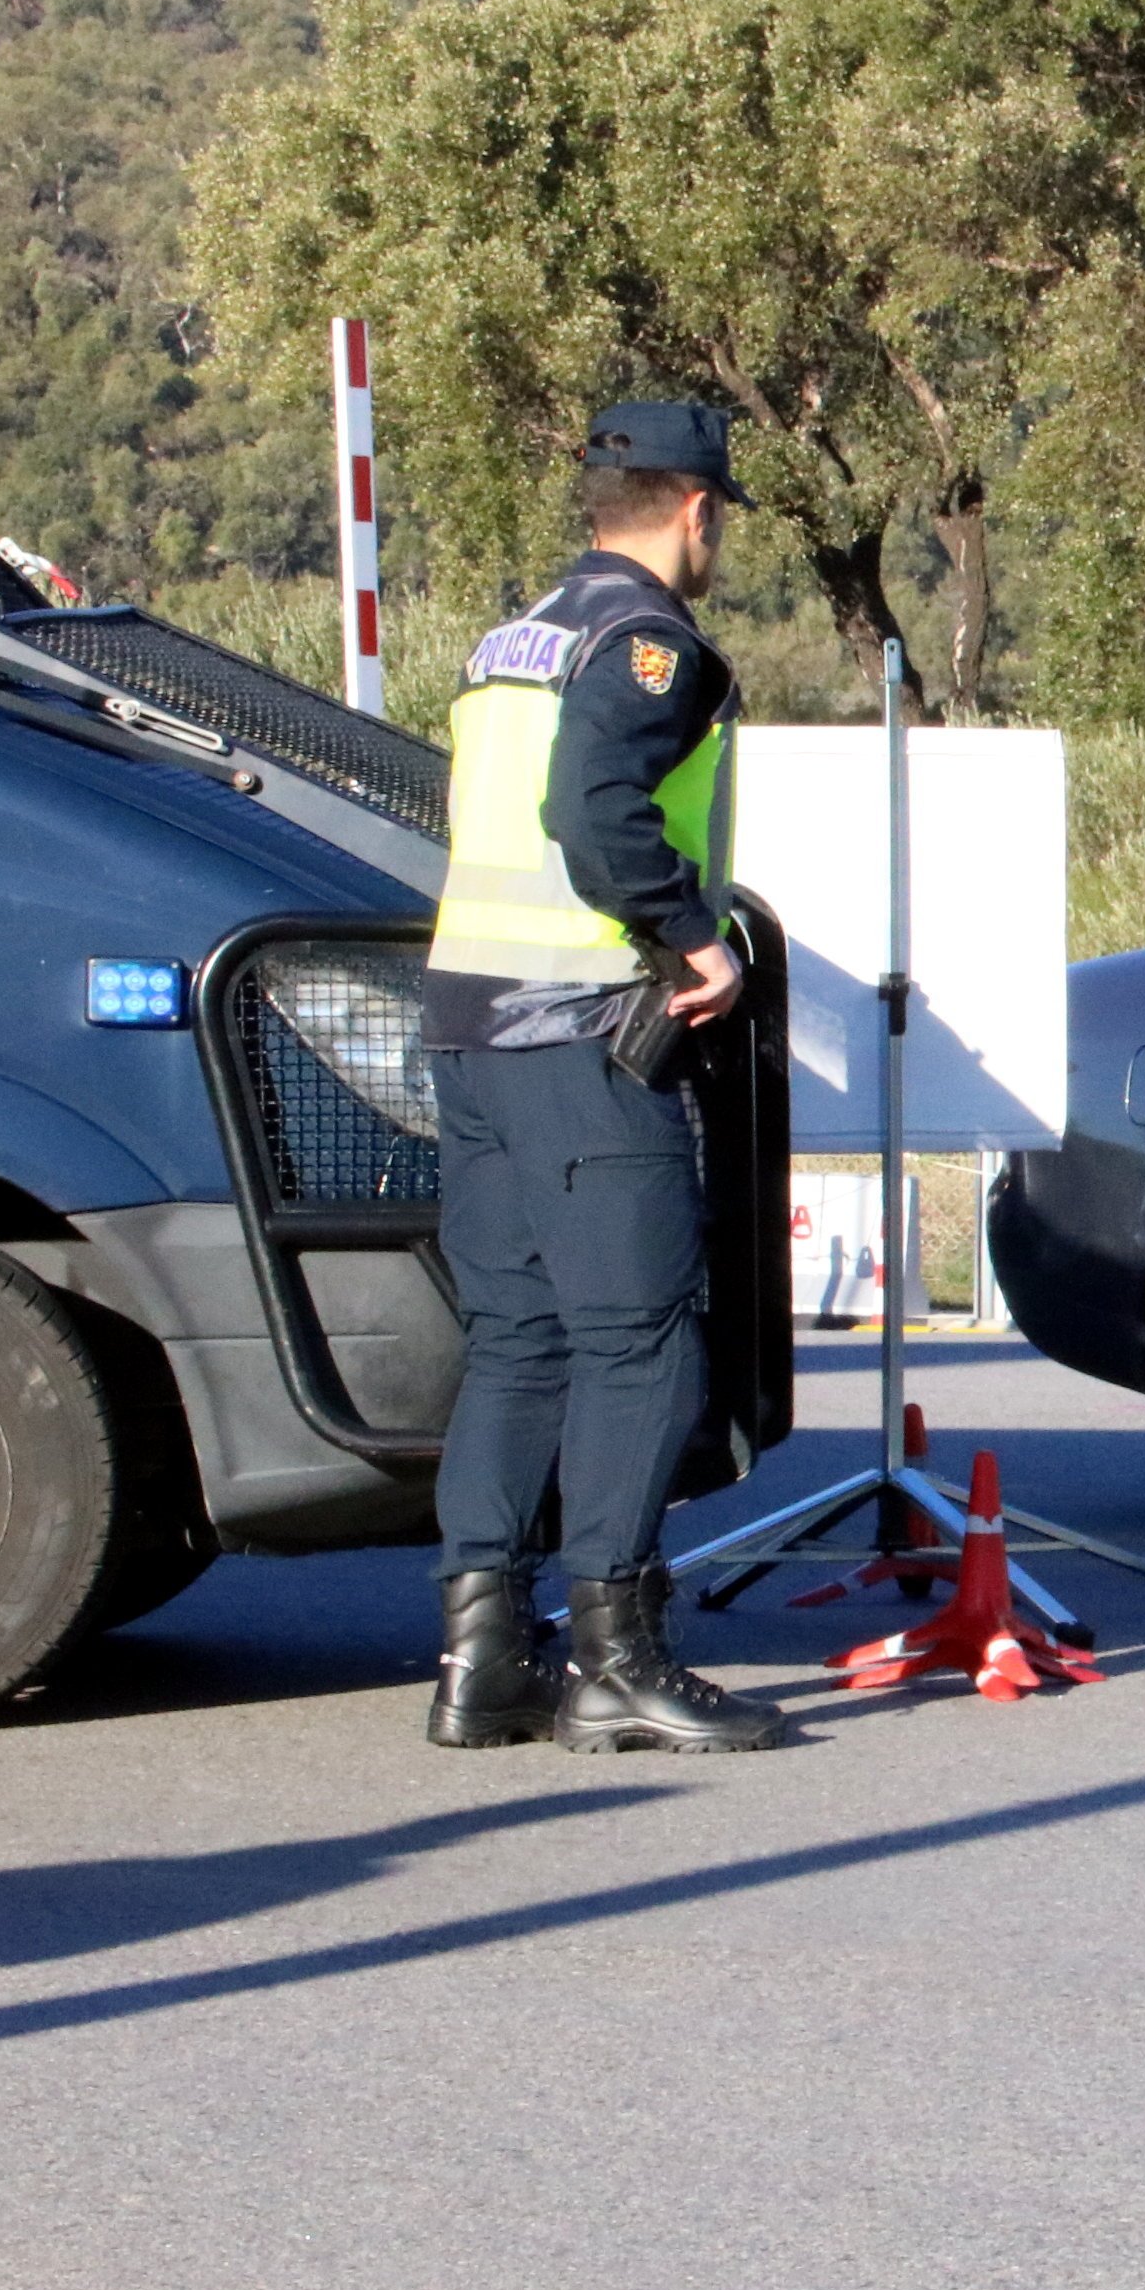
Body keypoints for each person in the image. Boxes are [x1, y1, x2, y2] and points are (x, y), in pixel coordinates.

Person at [417, 402, 774, 1754]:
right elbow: (593, 815)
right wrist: (696, 937)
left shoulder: (512, 641)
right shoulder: (649, 645)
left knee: (518, 1343)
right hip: (583, 1032)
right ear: (696, 513)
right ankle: (617, 1655)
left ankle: (483, 1659)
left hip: (471, 1030)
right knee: (638, 1345)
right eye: (718, 521)